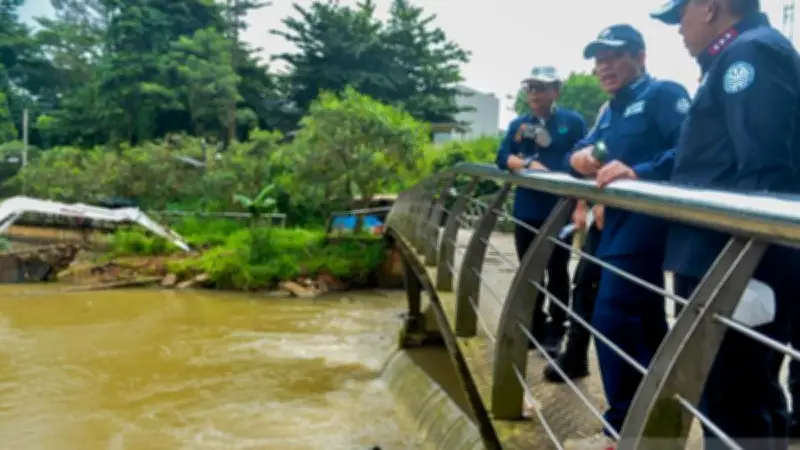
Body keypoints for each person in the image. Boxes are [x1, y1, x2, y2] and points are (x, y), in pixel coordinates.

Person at [650, 1, 800, 448]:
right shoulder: (738, 55)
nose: (679, 28)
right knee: (745, 394)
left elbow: (766, 171)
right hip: (728, 257)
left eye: (682, 15)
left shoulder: (749, 55)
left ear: (711, 7)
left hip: (732, 261)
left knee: (731, 398)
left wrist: (744, 268)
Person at [566, 24, 691, 448]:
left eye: (613, 56)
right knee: (647, 320)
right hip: (613, 224)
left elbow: (691, 147)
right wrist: (578, 157)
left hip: (649, 225)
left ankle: (623, 426)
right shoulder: (610, 111)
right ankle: (654, 414)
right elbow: (586, 150)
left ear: (640, 56)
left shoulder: (663, 95)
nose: (603, 66)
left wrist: (641, 172)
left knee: (612, 316)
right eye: (597, 59)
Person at [495, 66, 586, 356]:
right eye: (530, 87)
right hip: (527, 208)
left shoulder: (572, 122)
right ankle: (534, 326)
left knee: (558, 270)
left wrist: (579, 202)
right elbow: (501, 157)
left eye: (541, 87)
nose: (534, 93)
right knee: (529, 270)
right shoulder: (519, 125)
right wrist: (526, 164)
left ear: (555, 91)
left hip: (559, 208)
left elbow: (582, 162)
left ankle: (557, 330)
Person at [543, 103, 609, 384]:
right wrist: (583, 203)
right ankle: (576, 354)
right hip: (602, 214)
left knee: (628, 300)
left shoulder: (660, 98)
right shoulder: (609, 109)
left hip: (634, 216)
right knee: (584, 283)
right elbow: (592, 150)